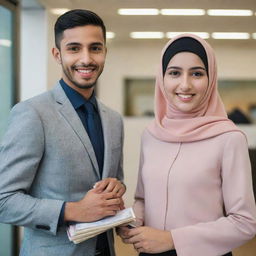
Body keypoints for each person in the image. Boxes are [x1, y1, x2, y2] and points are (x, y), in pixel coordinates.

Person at [0, 9, 126, 256]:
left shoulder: (113, 119)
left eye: (95, 48)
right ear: (57, 55)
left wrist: (116, 187)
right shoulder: (32, 113)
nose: (86, 58)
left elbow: (117, 180)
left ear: (105, 53)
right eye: (74, 48)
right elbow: (4, 200)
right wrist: (73, 210)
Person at [118, 34, 256, 256]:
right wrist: (132, 220)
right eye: (174, 73)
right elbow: (143, 199)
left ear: (211, 79)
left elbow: (244, 222)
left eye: (197, 73)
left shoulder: (229, 138)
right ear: (162, 79)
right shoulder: (151, 135)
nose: (185, 84)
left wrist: (171, 239)